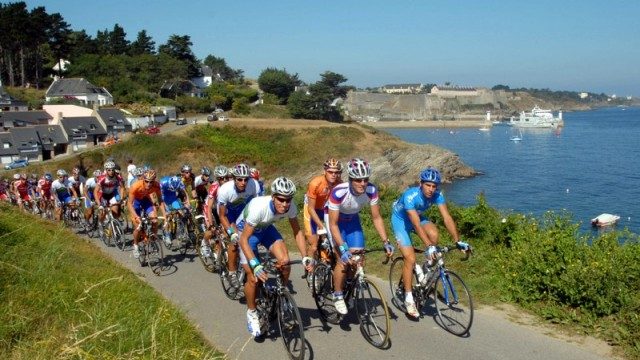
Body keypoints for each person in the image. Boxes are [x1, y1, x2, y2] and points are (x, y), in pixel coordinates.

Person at [238, 177, 313, 337]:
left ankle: (282, 295)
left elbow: (297, 231)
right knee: (253, 278)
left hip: (265, 229)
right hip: (247, 234)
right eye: (281, 199)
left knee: (285, 261)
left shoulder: (290, 206)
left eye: (288, 200)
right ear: (273, 196)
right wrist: (255, 265)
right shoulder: (259, 207)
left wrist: (305, 256)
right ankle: (252, 313)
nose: (285, 204)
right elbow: (244, 239)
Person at [391, 167, 470, 318]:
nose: (431, 189)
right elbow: (415, 224)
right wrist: (429, 246)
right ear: (420, 183)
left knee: (434, 234)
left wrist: (457, 240)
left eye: (434, 186)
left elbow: (446, 217)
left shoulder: (438, 195)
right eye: (428, 185)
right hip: (401, 221)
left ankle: (425, 268)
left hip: (417, 217)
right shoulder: (410, 196)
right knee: (410, 258)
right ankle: (408, 299)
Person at [327, 158, 394, 315]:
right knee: (343, 261)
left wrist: (386, 241)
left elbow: (376, 218)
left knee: (358, 259)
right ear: (350, 179)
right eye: (358, 180)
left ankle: (349, 286)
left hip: (353, 221)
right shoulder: (339, 192)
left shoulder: (371, 191)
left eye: (366, 179)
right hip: (336, 222)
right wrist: (343, 248)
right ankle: (337, 294)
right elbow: (333, 225)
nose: (363, 183)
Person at [217, 163, 260, 286]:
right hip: (229, 214)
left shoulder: (254, 185)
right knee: (235, 241)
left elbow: (258, 206)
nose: (243, 182)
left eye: (246, 179)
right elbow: (222, 215)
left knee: (251, 238)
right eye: (239, 179)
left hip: (245, 213)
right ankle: (232, 272)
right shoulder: (225, 189)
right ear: (234, 179)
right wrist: (230, 232)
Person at [304, 158, 343, 260]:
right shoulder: (315, 183)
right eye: (330, 172)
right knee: (313, 245)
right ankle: (310, 270)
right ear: (324, 171)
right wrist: (321, 226)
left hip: (326, 209)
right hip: (312, 209)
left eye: (336, 172)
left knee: (334, 239)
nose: (333, 175)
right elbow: (311, 209)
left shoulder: (340, 183)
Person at [128, 169, 167, 259]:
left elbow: (160, 201)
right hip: (135, 203)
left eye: (151, 182)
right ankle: (136, 245)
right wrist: (136, 217)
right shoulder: (135, 186)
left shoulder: (157, 185)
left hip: (146, 201)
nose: (149, 184)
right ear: (143, 180)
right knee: (138, 227)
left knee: (154, 220)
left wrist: (165, 215)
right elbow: (129, 204)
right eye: (147, 181)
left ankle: (152, 240)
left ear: (154, 181)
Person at [201, 165, 230, 257]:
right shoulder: (214, 187)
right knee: (212, 230)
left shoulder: (231, 184)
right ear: (218, 179)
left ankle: (220, 253)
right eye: (221, 178)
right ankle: (204, 243)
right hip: (210, 208)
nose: (224, 180)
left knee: (224, 233)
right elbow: (209, 207)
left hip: (221, 208)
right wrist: (211, 224)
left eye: (226, 177)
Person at [159, 174, 190, 247]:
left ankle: (181, 231)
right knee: (167, 215)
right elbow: (159, 197)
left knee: (180, 211)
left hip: (173, 198)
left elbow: (185, 192)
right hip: (164, 198)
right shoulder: (163, 182)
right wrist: (165, 208)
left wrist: (187, 202)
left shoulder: (180, 182)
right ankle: (167, 235)